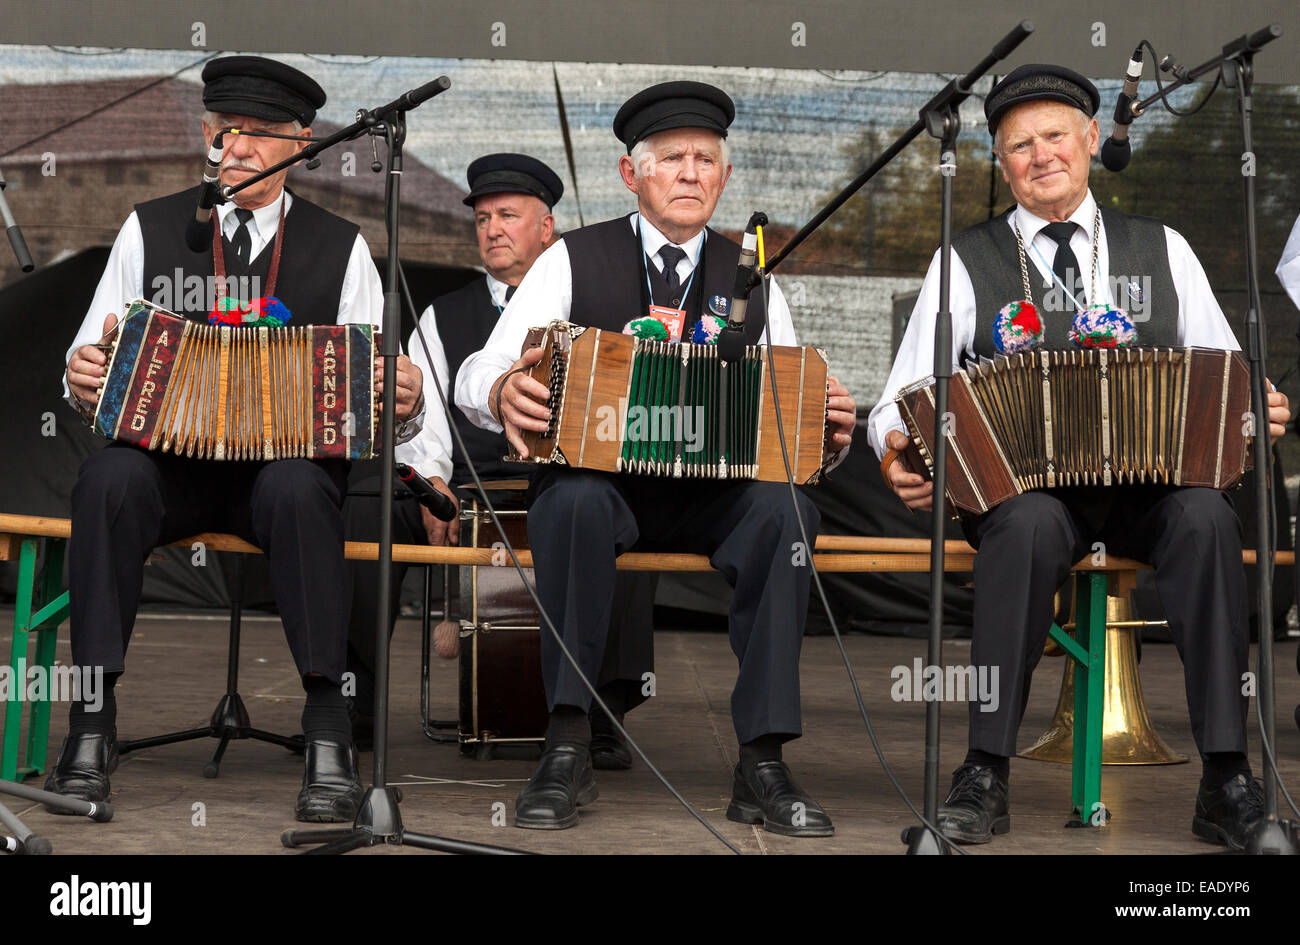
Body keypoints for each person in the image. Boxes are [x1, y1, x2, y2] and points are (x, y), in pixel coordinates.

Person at [868, 64, 1291, 849]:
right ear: (1000, 163)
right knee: (1024, 525)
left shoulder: (1161, 247)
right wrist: (897, 445)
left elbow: (1229, 371)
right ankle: (983, 771)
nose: (1041, 156)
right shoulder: (966, 258)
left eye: (1055, 136)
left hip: (1150, 488)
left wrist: (1256, 407)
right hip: (1029, 494)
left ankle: (1227, 776)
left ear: (1091, 139)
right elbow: (900, 397)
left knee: (1205, 516)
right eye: (1019, 145)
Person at [457, 81, 857, 833]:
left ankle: (762, 759)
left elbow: (792, 405)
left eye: (706, 160)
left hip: (718, 491)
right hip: (607, 484)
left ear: (726, 178)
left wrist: (826, 430)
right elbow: (477, 369)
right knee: (570, 499)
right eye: (671, 157)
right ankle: (569, 740)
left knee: (788, 510)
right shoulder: (574, 257)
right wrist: (505, 386)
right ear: (629, 173)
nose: (690, 172)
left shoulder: (753, 273)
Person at [53, 55, 425, 823]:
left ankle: (327, 728)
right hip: (171, 468)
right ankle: (91, 725)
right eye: (227, 131)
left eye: (262, 134)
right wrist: (81, 374)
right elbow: (87, 356)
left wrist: (405, 397)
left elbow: (381, 387)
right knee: (108, 480)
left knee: (298, 486)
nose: (241, 147)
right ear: (207, 133)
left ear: (303, 140)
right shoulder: (150, 227)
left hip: (278, 473)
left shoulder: (341, 245)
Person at [343, 153, 655, 768]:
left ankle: (601, 710)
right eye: (482, 218)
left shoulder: (593, 299)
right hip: (469, 483)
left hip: (567, 477)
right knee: (366, 502)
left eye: (508, 215)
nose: (492, 229)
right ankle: (353, 699)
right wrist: (432, 482)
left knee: (626, 505)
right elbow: (421, 412)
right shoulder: (442, 314)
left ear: (548, 228)